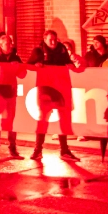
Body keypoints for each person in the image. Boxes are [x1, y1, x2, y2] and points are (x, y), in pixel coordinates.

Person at [27, 29, 81, 163]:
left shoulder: (62, 49)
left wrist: (70, 65)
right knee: (43, 118)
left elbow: (69, 63)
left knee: (64, 118)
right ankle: (38, 149)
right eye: (50, 39)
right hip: (45, 90)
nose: (53, 42)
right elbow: (28, 65)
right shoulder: (38, 51)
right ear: (44, 40)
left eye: (54, 39)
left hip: (61, 88)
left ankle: (64, 150)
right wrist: (36, 65)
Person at [0, 33, 23, 159]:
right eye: (7, 43)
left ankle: (12, 148)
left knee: (10, 121)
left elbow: (22, 74)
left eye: (10, 43)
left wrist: (18, 68)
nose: (9, 45)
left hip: (11, 92)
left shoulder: (16, 58)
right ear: (1, 45)